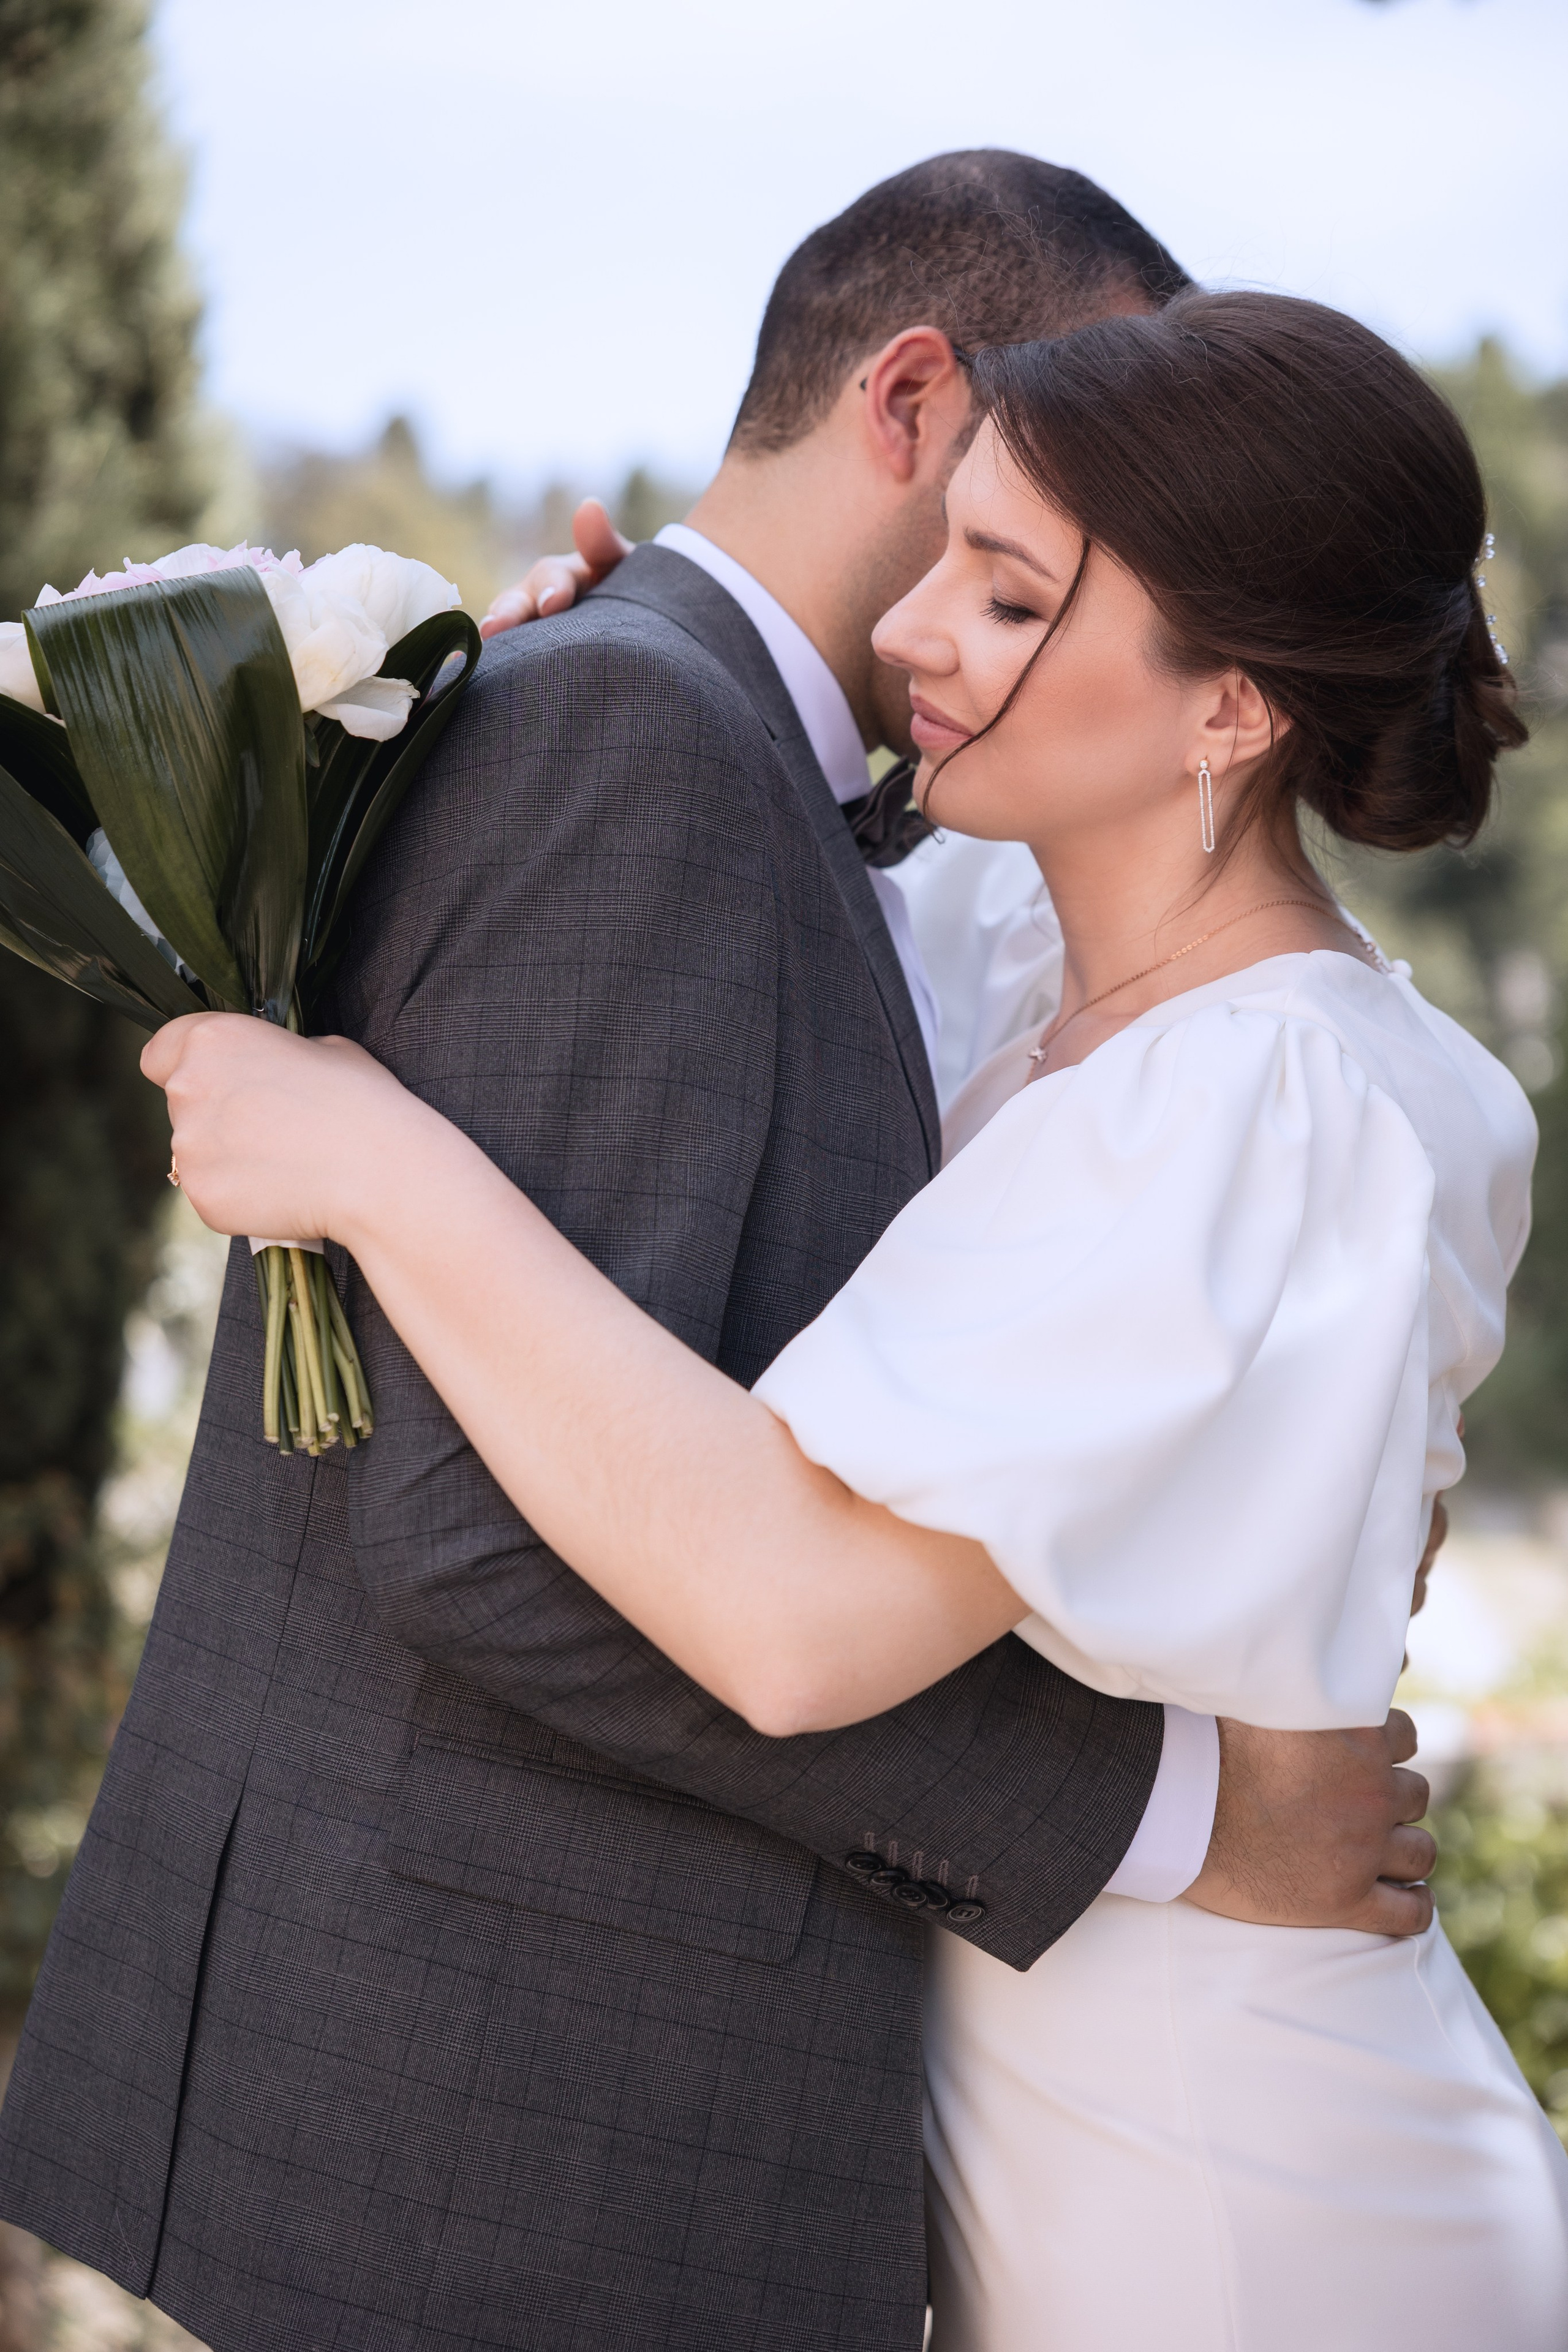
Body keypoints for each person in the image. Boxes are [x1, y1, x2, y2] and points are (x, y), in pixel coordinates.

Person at [0, 160, 1431, 2352]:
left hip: (523, 2095)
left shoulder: (706, 741)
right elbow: (482, 1543)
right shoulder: (640, 739)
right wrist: (1167, 1815)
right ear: (920, 396)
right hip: (504, 2115)